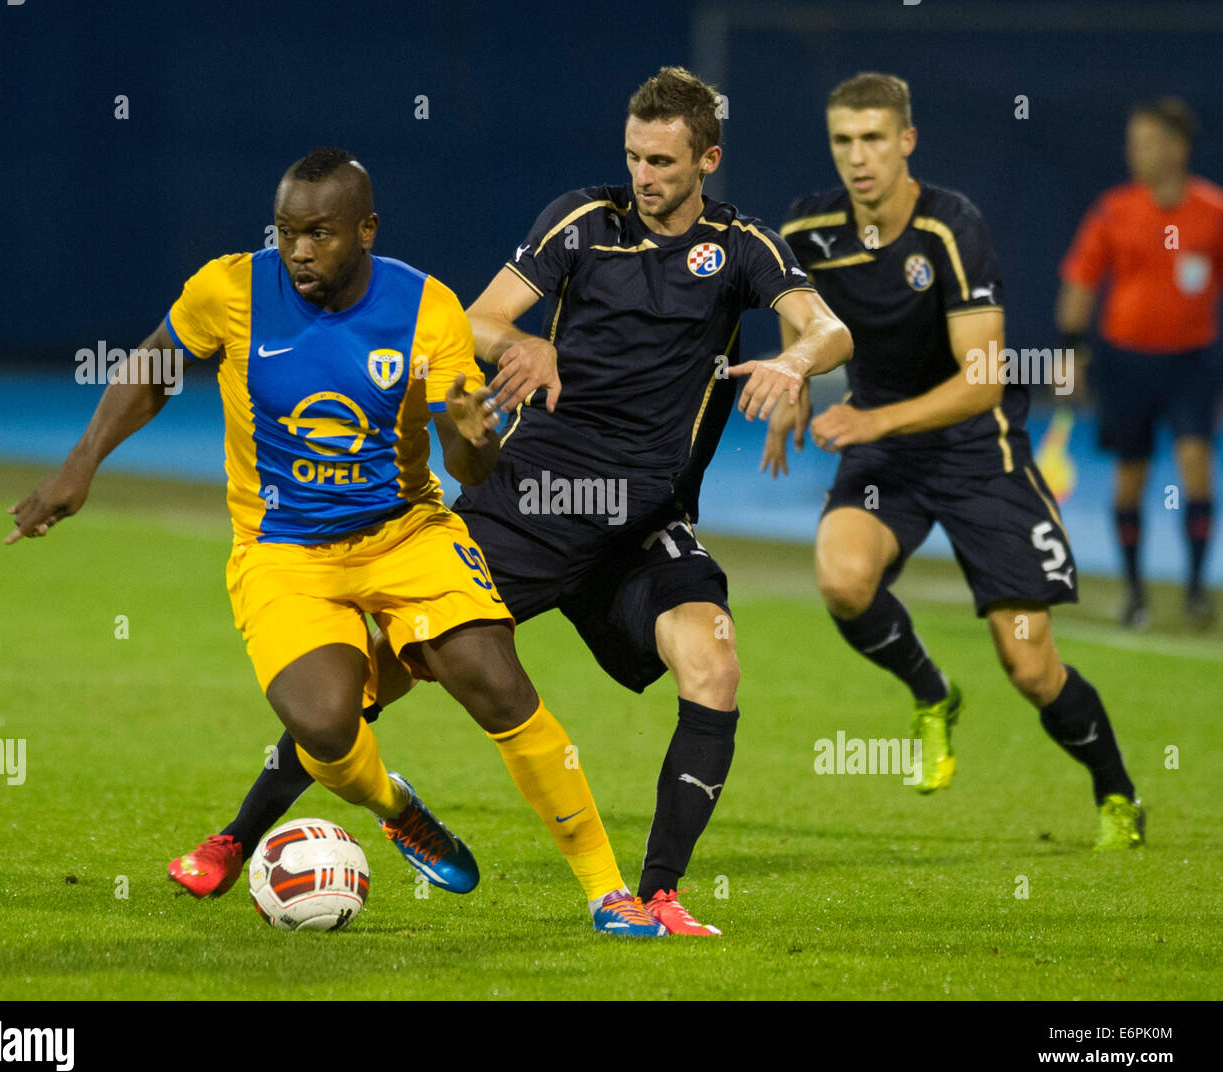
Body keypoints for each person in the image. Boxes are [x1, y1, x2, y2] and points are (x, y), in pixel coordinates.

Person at [169, 67, 853, 934]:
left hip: (642, 523)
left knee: (714, 665)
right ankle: (236, 837)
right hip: (530, 500)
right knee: (373, 679)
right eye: (635, 156)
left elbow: (830, 326)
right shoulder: (582, 223)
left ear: (708, 160)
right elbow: (479, 316)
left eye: (665, 163)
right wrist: (527, 345)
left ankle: (656, 893)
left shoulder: (744, 247)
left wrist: (796, 362)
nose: (645, 176)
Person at [6, 148, 666, 937]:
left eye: (319, 233)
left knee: (493, 679)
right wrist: (78, 468)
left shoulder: (428, 308)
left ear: (365, 229)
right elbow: (154, 363)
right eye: (286, 231)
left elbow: (470, 463)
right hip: (282, 551)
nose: (298, 251)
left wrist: (472, 437)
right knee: (322, 722)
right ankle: (399, 807)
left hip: (406, 531)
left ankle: (607, 892)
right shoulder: (231, 289)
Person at [773, 72, 1144, 849]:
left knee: (1031, 666)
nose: (858, 157)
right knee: (842, 579)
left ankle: (1116, 792)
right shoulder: (809, 229)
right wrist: (795, 377)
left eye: (874, 138)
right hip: (886, 454)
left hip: (980, 451)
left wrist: (869, 417)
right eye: (844, 140)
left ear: (907, 141)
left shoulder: (951, 227)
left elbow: (980, 383)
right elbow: (797, 317)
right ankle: (932, 691)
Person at [1056, 97, 1223, 629]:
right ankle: (1134, 593)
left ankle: (1196, 591)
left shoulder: (1214, 212)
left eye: (1146, 142)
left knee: (1195, 466)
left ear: (1176, 149)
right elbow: (1081, 283)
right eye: (1133, 142)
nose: (1135, 152)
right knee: (1131, 477)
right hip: (1126, 364)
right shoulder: (1114, 210)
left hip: (1191, 364)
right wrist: (1070, 353)